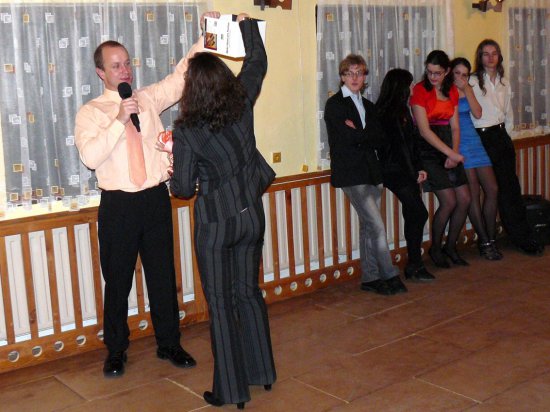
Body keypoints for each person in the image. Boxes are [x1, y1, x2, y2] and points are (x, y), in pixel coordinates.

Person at [74, 13, 212, 378]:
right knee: (118, 280)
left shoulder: (147, 98)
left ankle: (169, 343)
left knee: (163, 275)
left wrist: (207, 34)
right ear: (101, 73)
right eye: (116, 65)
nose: (125, 70)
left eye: (127, 63)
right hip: (118, 205)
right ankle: (116, 350)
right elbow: (90, 158)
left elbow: (182, 77)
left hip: (154, 199)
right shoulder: (91, 113)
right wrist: (119, 119)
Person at [168, 14, 277, 410]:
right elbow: (257, 61)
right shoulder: (243, 101)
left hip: (217, 225)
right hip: (251, 216)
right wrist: (247, 26)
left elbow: (182, 189)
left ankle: (231, 391)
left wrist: (174, 164)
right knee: (248, 292)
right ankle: (262, 373)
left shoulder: (186, 131)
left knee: (220, 303)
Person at [324, 54, 405, 296]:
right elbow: (345, 139)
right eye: (349, 73)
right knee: (377, 226)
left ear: (364, 76)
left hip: (372, 171)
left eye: (359, 73)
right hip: (351, 174)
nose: (355, 77)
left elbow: (380, 139)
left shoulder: (369, 106)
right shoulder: (335, 105)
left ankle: (370, 278)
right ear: (342, 77)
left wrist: (359, 133)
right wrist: (363, 135)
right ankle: (389, 274)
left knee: (368, 227)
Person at [470, 39, 544, 256]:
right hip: (481, 137)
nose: (490, 57)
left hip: (501, 135)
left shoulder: (504, 81)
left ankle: (522, 237)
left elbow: (508, 112)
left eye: (494, 53)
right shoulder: (472, 81)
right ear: (480, 57)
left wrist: (507, 136)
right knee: (490, 190)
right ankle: (487, 240)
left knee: (510, 188)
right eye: (486, 54)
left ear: (499, 56)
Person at [410, 50, 471, 268]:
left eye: (437, 73)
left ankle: (450, 246)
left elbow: (455, 127)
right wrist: (451, 154)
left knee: (465, 198)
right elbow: (424, 131)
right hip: (427, 149)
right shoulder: (420, 90)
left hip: (448, 144)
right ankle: (435, 248)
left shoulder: (452, 90)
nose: (432, 77)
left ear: (446, 72)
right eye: (429, 72)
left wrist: (453, 153)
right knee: (449, 201)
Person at [375, 68, 434, 282]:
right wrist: (413, 172)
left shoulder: (402, 111)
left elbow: (412, 143)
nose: (411, 89)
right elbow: (398, 149)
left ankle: (414, 264)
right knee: (418, 213)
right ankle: (414, 263)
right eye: (409, 85)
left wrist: (419, 167)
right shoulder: (388, 114)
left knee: (414, 214)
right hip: (394, 171)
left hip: (405, 170)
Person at [451, 57, 502, 260]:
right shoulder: (445, 90)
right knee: (473, 193)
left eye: (465, 74)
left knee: (493, 189)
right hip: (458, 143)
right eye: (457, 73)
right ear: (450, 72)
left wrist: (467, 88)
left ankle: (490, 237)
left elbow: (478, 113)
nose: (460, 77)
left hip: (474, 141)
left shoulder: (467, 88)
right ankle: (485, 241)